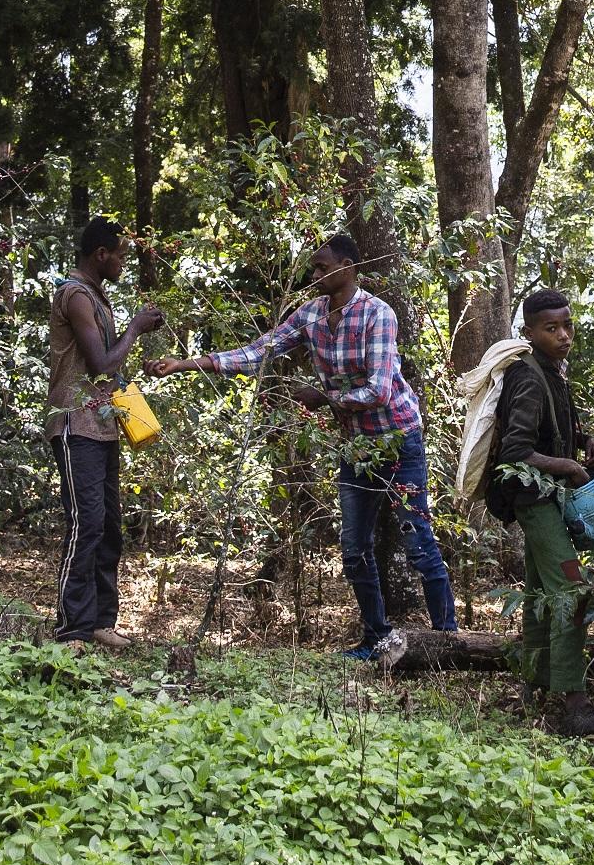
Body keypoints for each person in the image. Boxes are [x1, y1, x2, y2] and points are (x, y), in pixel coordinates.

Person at [149, 233, 458, 656]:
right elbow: (261, 350)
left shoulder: (377, 314)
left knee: (418, 540)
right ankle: (376, 639)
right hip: (356, 448)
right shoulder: (310, 315)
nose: (314, 276)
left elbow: (380, 390)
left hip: (398, 440)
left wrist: (324, 398)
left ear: (347, 269)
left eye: (322, 268)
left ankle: (450, 641)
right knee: (354, 549)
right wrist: (187, 364)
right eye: (313, 268)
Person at [487, 288, 594, 735]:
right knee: (574, 592)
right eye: (551, 328)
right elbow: (516, 450)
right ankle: (574, 703)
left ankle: (533, 685)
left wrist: (585, 441)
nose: (563, 335)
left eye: (567, 325)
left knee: (542, 592)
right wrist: (569, 467)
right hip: (533, 500)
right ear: (529, 332)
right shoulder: (526, 377)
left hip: (547, 497)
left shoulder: (553, 370)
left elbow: (556, 427)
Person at [47, 216, 166, 649]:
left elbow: (107, 369)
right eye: (119, 256)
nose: (122, 264)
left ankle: (99, 621)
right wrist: (134, 328)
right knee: (86, 524)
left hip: (102, 427)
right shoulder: (75, 295)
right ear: (101, 255)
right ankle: (72, 629)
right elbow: (99, 364)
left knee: (109, 527)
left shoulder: (97, 297)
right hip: (75, 425)